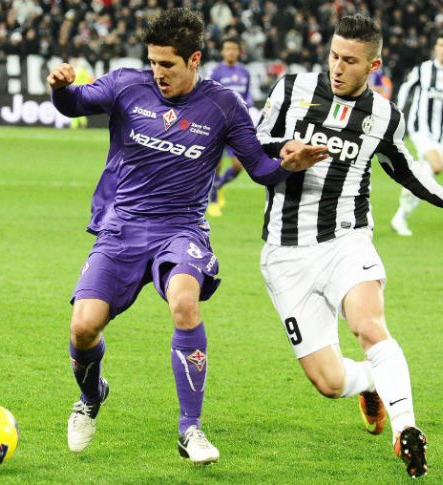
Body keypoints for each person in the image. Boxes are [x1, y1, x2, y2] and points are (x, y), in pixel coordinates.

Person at [48, 8, 328, 465]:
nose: (157, 73)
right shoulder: (125, 85)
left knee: (184, 300)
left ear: (194, 59)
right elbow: (74, 104)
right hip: (122, 226)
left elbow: (258, 167)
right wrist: (60, 87)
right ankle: (92, 395)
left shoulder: (223, 106)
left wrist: (287, 168)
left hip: (182, 229)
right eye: (153, 62)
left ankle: (190, 429)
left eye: (168, 65)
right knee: (82, 328)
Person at [255, 14, 443, 478]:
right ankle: (368, 383)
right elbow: (255, 142)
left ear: (374, 64)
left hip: (347, 237)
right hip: (285, 251)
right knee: (327, 382)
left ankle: (407, 429)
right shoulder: (290, 90)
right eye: (333, 57)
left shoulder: (383, 115)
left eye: (350, 61)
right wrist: (288, 153)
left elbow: (405, 166)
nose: (338, 68)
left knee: (369, 325)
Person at [390, 31, 443, 237]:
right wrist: (397, 112)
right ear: (435, 48)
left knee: (424, 174)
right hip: (421, 129)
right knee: (438, 165)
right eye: (441, 45)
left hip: (442, 135)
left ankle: (401, 214)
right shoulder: (423, 69)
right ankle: (401, 213)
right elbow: (405, 89)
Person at [206, 37, 253, 217]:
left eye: (234, 49)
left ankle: (219, 185)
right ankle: (214, 200)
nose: (231, 52)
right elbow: (210, 96)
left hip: (237, 126)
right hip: (219, 124)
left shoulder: (244, 72)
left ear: (239, 51)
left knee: (239, 165)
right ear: (223, 51)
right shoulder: (216, 72)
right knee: (216, 164)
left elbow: (247, 96)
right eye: (228, 49)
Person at [69, 58, 93, 129]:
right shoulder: (84, 71)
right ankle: (80, 123)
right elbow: (89, 81)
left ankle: (77, 124)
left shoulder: (78, 71)